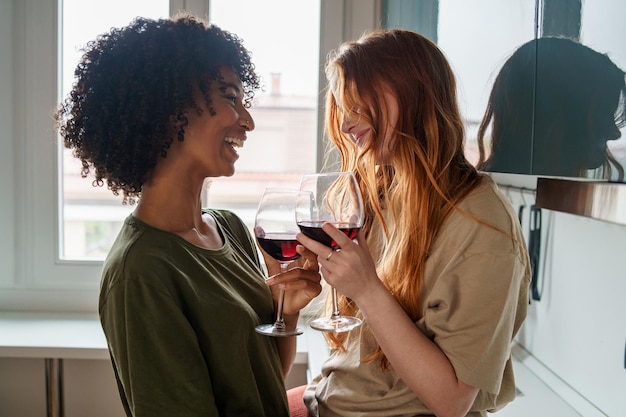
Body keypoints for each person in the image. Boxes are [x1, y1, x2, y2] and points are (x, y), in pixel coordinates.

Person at [54, 13, 322, 417]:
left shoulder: (229, 228)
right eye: (230, 97)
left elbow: (262, 377)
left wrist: (287, 311)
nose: (247, 120)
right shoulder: (140, 272)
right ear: (168, 108)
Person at [291, 29, 531, 417]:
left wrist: (366, 289)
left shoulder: (483, 226)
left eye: (359, 101)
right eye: (343, 104)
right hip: (325, 401)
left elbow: (452, 401)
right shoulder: (383, 191)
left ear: (411, 91)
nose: (347, 123)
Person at [477, 36, 626, 181]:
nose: (615, 133)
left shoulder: (486, 194)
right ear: (560, 118)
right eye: (602, 116)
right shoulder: (490, 199)